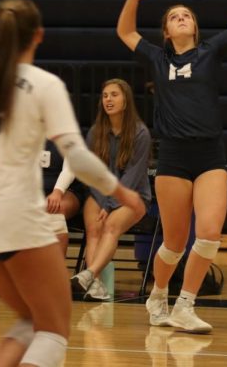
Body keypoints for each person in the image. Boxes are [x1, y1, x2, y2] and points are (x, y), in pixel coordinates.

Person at [0, 0, 145, 367]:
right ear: (38, 36)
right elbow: (77, 157)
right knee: (54, 329)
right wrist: (123, 193)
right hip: (15, 219)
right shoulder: (44, 85)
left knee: (30, 321)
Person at [117, 0, 227, 333]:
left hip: (210, 152)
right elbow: (125, 32)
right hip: (174, 156)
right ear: (166, 31)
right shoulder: (157, 59)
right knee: (174, 243)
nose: (181, 18)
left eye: (186, 15)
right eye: (173, 17)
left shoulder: (210, 52)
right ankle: (158, 294)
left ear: (195, 28)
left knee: (211, 233)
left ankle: (185, 304)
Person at [68, 79, 152, 302]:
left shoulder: (140, 133)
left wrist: (111, 204)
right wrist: (104, 201)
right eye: (105, 95)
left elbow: (132, 178)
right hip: (99, 193)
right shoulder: (96, 132)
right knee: (94, 227)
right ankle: (96, 287)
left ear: (126, 101)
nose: (108, 100)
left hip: (134, 197)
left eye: (114, 95)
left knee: (111, 225)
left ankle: (89, 275)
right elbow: (91, 173)